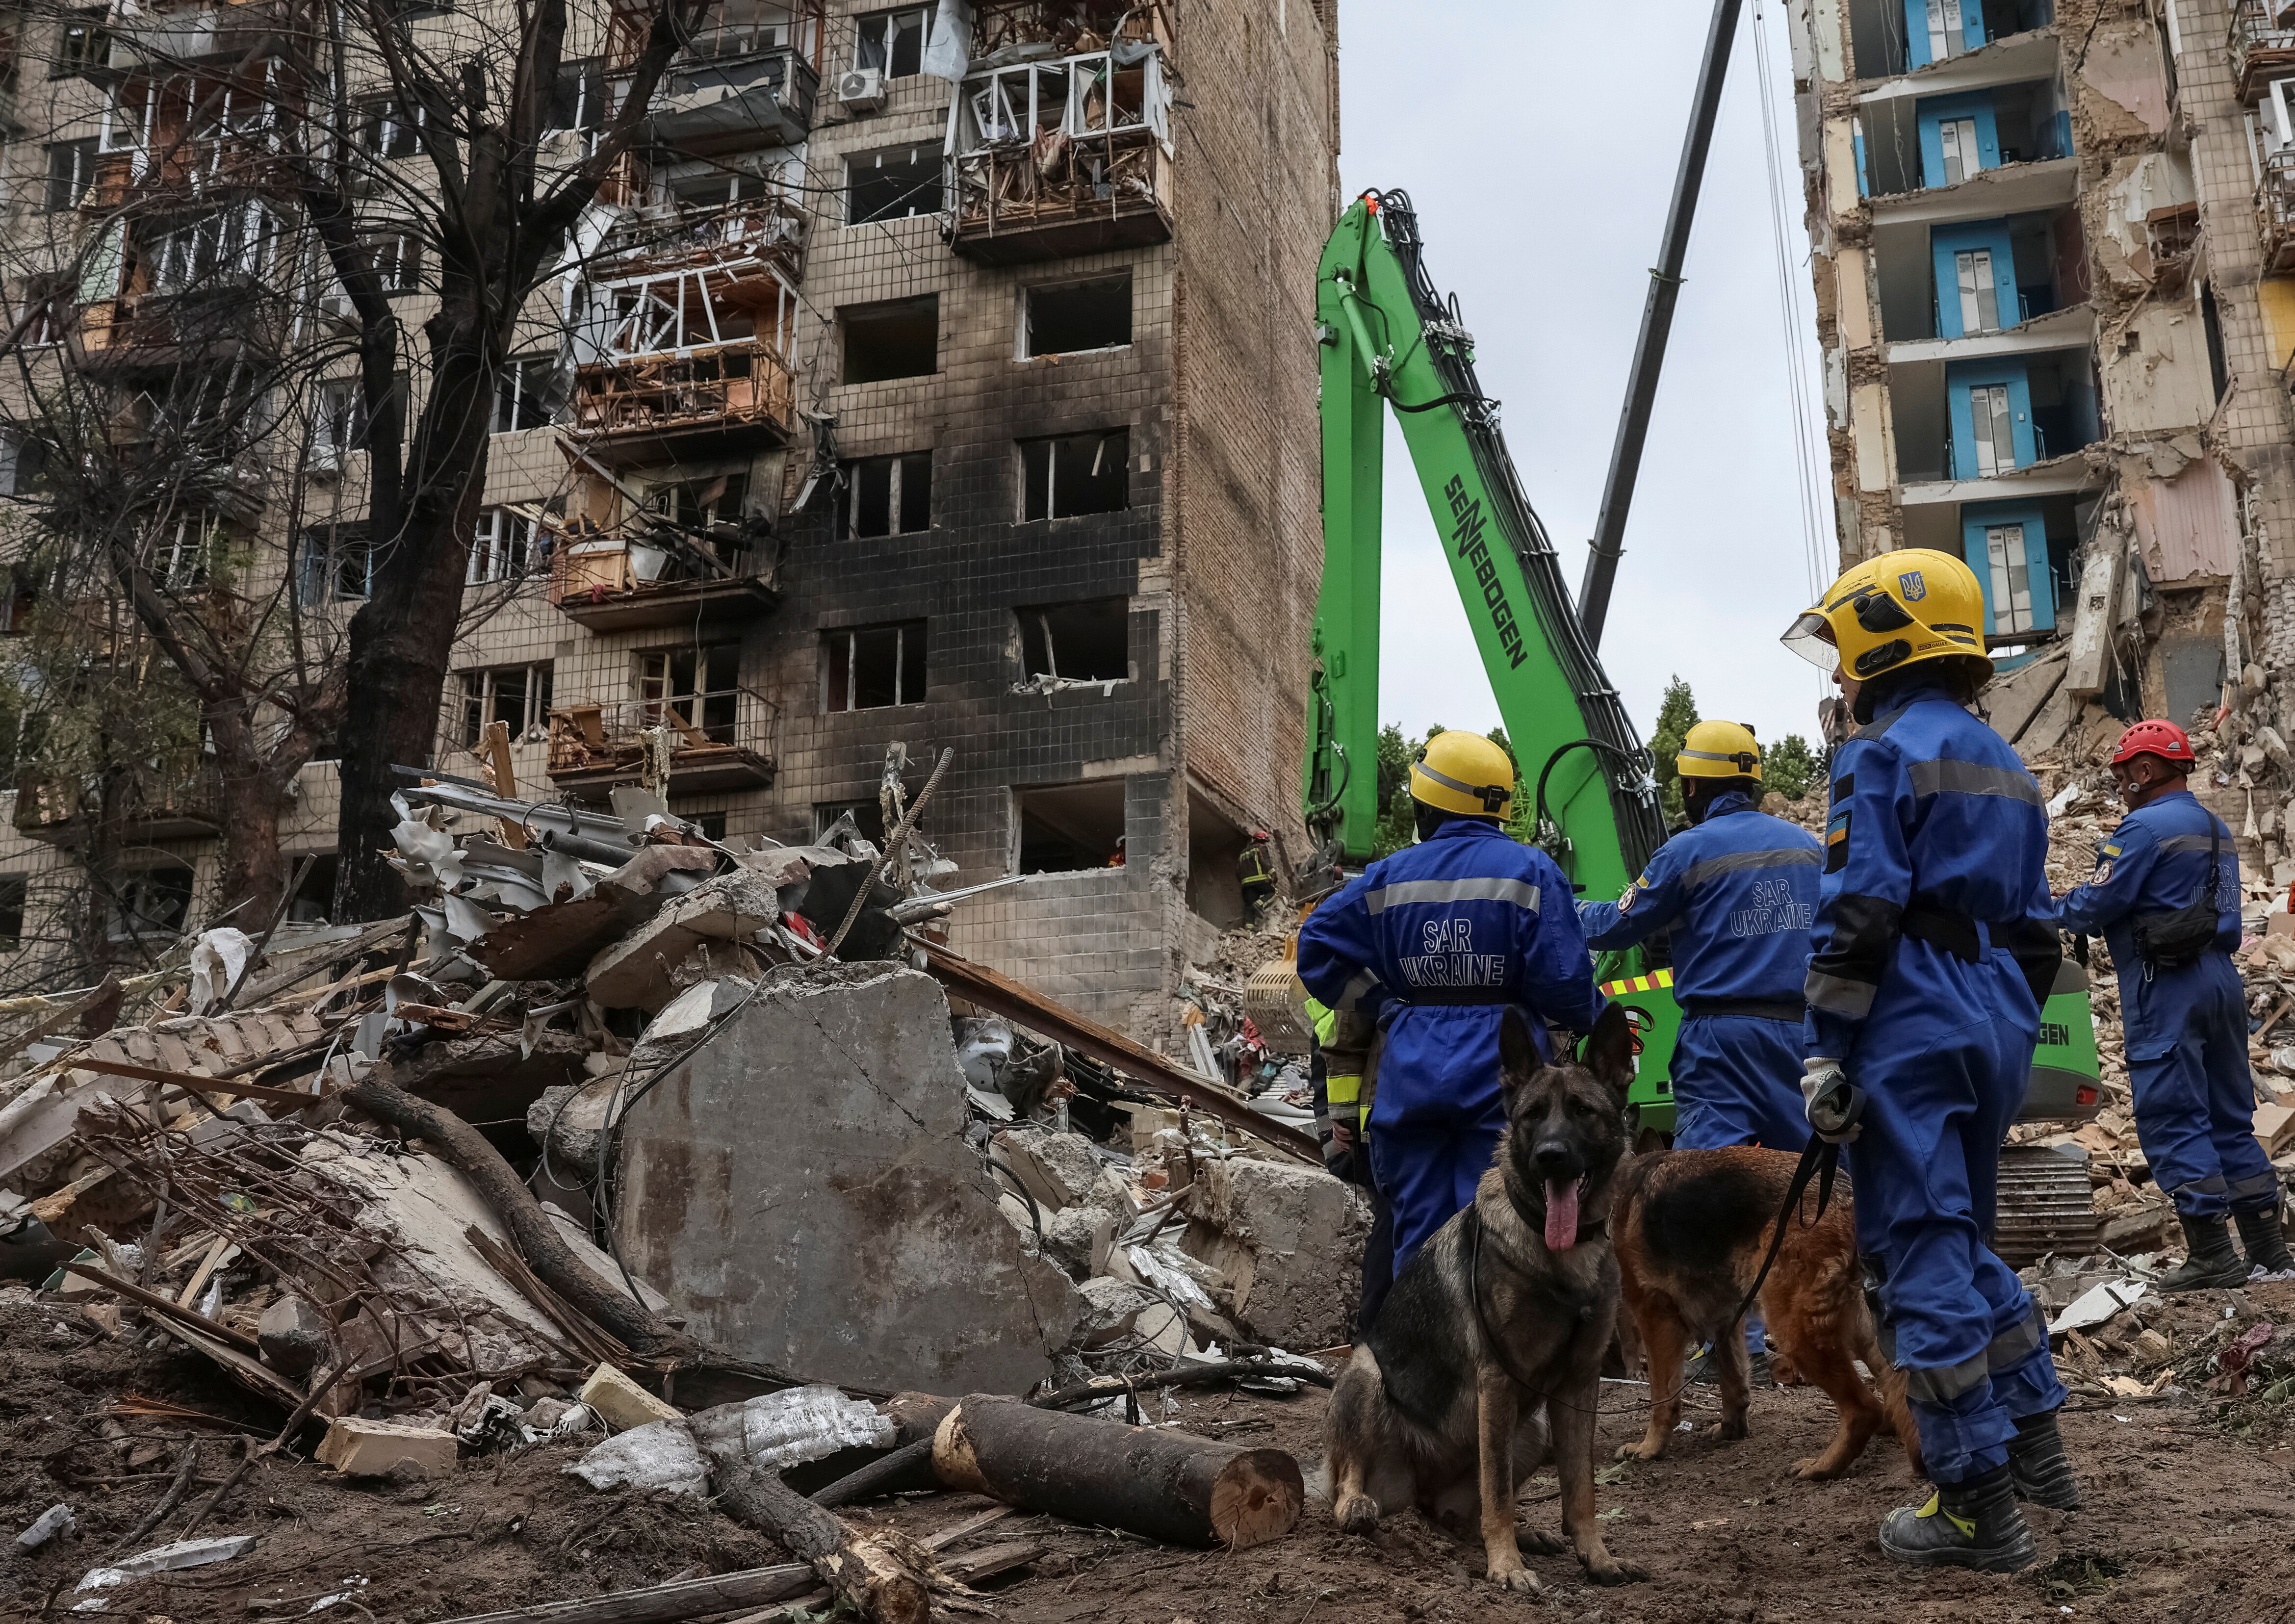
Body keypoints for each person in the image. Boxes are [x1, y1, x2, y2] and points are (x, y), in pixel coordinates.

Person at [1780, 547, 2078, 1572]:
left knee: (1915, 1255)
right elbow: (2037, 934)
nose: (1835, 674)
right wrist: (1990, 1016)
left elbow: (1858, 908)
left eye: (1841, 650)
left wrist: (1824, 1050)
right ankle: (2035, 1446)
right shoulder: (2008, 765)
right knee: (1958, 1240)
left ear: (1884, 643)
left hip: (1909, 1011)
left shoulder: (1876, 754)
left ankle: (1972, 1503)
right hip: (1991, 1012)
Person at [1296, 730, 1601, 1269]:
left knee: (1417, 1239)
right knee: (1498, 1232)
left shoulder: (1386, 877)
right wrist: (1593, 1017)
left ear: (1427, 804)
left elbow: (1316, 947)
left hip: (1409, 1066)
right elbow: (1565, 985)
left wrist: (1382, 1004)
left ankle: (1418, 1324)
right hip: (1499, 1066)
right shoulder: (1531, 871)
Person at [1577, 719, 1818, 1380]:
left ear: (1691, 785)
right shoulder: (1808, 848)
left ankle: (1727, 1348)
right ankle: (1804, 1338)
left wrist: (1556, 909)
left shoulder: (1687, 850)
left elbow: (1620, 923)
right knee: (1802, 1188)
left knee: (1705, 1189)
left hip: (1721, 1038)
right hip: (1801, 1034)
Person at [2052, 720, 2293, 1288]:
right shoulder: (2215, 828)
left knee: (2173, 1113)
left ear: (2145, 769)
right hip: (2220, 981)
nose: (2118, 787)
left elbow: (2094, 905)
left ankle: (2211, 1254)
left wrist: (2044, 907)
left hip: (2166, 986)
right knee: (2229, 1117)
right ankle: (2268, 1251)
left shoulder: (2140, 828)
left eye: (2121, 776)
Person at [1238, 831, 1278, 919]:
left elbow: (1238, 871)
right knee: (1274, 892)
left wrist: (1244, 882)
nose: (1265, 844)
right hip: (1260, 881)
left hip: (1246, 885)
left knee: (1249, 907)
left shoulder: (1242, 854)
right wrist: (1273, 875)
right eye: (1264, 842)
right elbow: (1265, 862)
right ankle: (1259, 904)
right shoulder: (1261, 847)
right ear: (1262, 841)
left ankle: (1249, 927)